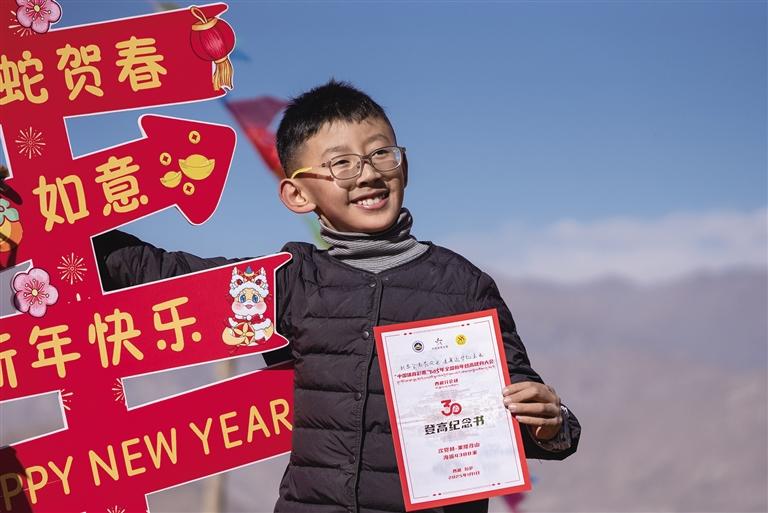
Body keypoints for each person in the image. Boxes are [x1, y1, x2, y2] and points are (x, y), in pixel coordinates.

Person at [94, 80, 580, 513]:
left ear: (404, 166)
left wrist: (550, 423)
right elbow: (165, 277)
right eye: (341, 163)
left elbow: (527, 412)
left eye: (381, 154)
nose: (367, 174)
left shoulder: (463, 286)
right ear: (297, 195)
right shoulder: (290, 281)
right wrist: (63, 219)